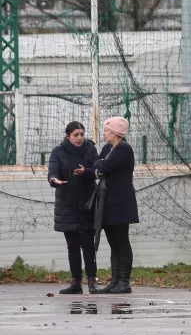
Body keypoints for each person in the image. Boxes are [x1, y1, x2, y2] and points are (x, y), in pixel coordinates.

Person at [48, 121, 100, 294]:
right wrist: (54, 180)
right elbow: (53, 171)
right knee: (72, 245)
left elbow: (97, 170)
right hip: (67, 203)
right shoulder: (58, 151)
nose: (79, 138)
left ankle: (92, 280)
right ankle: (76, 282)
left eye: (82, 134)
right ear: (67, 136)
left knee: (88, 243)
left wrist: (85, 171)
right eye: (76, 135)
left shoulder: (90, 149)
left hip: (87, 203)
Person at [91, 117, 138, 294]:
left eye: (106, 130)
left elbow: (104, 166)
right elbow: (97, 164)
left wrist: (100, 167)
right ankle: (115, 280)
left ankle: (124, 281)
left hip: (121, 201)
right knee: (113, 243)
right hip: (107, 201)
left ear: (116, 132)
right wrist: (99, 167)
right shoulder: (107, 148)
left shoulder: (124, 149)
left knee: (121, 240)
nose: (104, 133)